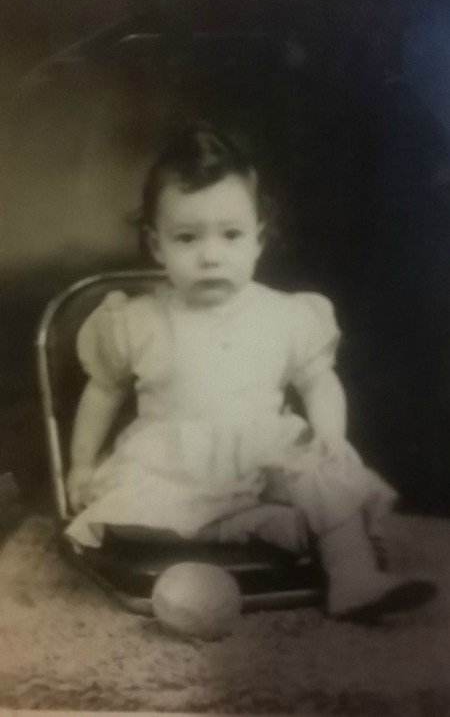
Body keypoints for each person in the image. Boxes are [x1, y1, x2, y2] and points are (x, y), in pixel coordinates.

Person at [65, 125, 435, 620]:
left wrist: (329, 434)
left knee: (324, 480)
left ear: (258, 239)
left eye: (231, 235)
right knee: (122, 520)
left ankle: (353, 577)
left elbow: (318, 379)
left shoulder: (287, 315)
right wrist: (82, 465)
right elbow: (104, 390)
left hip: (263, 456)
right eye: (187, 238)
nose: (211, 255)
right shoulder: (137, 321)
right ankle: (256, 526)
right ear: (157, 245)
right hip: (174, 458)